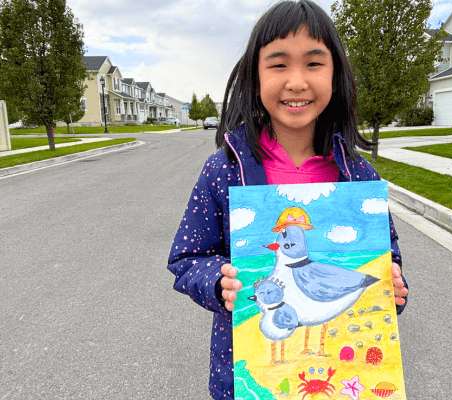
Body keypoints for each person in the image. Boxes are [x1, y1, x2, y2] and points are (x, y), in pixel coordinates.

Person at [167, 1, 408, 399]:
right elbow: (187, 258)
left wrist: (392, 287)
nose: (297, 81)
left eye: (314, 63)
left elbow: (389, 257)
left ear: (336, 75)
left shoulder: (358, 175)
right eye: (278, 65)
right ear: (254, 76)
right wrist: (217, 281)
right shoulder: (224, 171)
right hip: (246, 380)